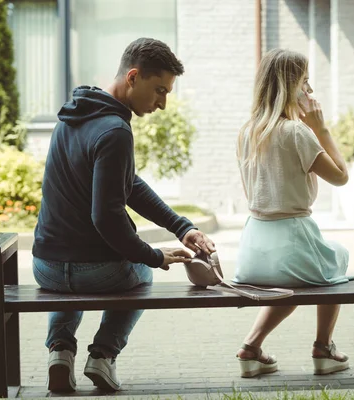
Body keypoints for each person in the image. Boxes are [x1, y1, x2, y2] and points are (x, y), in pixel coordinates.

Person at [32, 38, 216, 393]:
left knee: (72, 283)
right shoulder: (115, 131)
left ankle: (60, 351)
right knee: (142, 271)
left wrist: (181, 228)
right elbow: (107, 218)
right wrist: (153, 256)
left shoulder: (72, 115)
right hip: (95, 271)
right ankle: (103, 355)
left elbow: (126, 183)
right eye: (159, 90)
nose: (162, 103)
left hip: (47, 266)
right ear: (133, 76)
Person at [233, 48, 351, 378]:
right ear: (290, 86)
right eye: (306, 83)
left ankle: (251, 348)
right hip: (292, 244)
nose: (310, 92)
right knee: (335, 260)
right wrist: (320, 127)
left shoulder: (247, 132)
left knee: (294, 278)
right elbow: (341, 177)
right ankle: (323, 349)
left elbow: (251, 195)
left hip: (252, 252)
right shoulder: (296, 132)